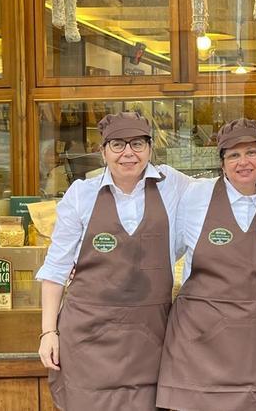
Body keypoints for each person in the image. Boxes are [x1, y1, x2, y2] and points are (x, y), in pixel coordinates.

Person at [34, 111, 192, 411]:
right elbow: (55, 270)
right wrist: (48, 332)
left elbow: (226, 186)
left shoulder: (173, 185)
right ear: (103, 150)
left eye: (137, 144)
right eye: (118, 144)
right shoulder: (81, 194)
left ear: (150, 148)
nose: (128, 153)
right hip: (88, 339)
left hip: (150, 340)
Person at [156, 118, 256, 410]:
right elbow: (163, 251)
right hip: (199, 343)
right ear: (222, 162)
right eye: (233, 155)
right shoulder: (194, 195)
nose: (243, 162)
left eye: (252, 153)